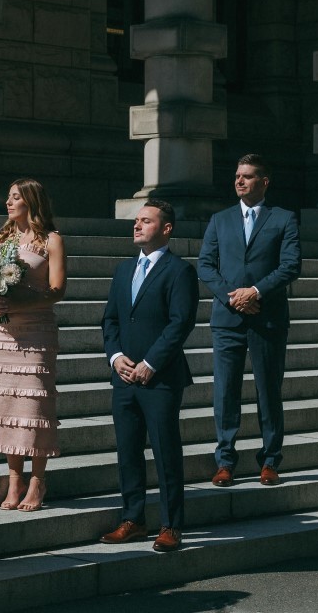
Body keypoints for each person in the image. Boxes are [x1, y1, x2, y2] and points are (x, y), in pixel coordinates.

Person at [99, 200, 199, 553]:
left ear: (166, 229)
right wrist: (115, 358)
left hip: (160, 379)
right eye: (136, 220)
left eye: (146, 221)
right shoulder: (123, 270)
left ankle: (171, 525)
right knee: (128, 450)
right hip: (123, 377)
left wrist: (151, 363)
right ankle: (133, 518)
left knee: (165, 450)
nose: (137, 225)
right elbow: (110, 320)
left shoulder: (179, 271)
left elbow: (180, 323)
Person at [198, 154, 301, 488]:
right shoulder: (220, 219)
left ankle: (270, 461)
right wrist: (234, 296)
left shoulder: (284, 219)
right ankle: (225, 461)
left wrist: (255, 292)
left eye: (247, 176)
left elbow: (290, 266)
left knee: (268, 391)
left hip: (267, 318)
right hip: (228, 318)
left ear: (264, 182)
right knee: (225, 392)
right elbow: (205, 265)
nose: (239, 181)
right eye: (237, 175)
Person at [0, 178, 66, 512]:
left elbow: (58, 289)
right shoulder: (0, 239)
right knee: (6, 408)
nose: (8, 202)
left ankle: (37, 480)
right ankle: (14, 478)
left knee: (34, 409)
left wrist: (22, 304)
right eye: (8, 196)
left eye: (15, 197)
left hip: (35, 331)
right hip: (2, 333)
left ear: (31, 201)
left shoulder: (52, 240)